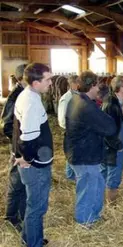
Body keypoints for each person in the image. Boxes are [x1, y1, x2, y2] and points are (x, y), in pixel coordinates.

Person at [64, 71, 116, 227]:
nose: (99, 90)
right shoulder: (86, 106)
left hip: (81, 151)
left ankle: (93, 216)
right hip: (84, 155)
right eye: (97, 86)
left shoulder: (75, 99)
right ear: (92, 86)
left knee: (98, 183)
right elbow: (110, 127)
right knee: (88, 187)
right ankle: (84, 221)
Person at [13, 63, 53, 247]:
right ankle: (33, 243)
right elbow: (27, 137)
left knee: (34, 205)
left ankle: (30, 238)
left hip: (36, 161)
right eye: (48, 79)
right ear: (36, 83)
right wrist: (27, 159)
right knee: (37, 206)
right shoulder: (30, 102)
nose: (51, 83)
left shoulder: (31, 96)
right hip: (35, 165)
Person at [1, 64, 27, 231]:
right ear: (22, 78)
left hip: (23, 145)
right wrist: (18, 146)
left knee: (22, 182)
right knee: (17, 181)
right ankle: (11, 217)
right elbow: (8, 125)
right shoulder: (16, 96)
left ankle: (21, 214)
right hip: (19, 148)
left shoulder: (25, 94)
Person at [101, 76, 123, 203]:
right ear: (120, 88)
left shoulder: (116, 102)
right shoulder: (111, 105)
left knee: (106, 172)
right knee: (113, 175)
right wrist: (117, 146)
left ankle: (102, 199)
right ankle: (110, 203)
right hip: (113, 148)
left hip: (113, 146)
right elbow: (107, 130)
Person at [57, 75, 79, 181]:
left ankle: (72, 174)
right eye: (78, 83)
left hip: (78, 129)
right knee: (71, 152)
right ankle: (70, 176)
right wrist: (71, 127)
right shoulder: (66, 99)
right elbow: (61, 119)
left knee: (75, 152)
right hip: (71, 130)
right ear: (72, 84)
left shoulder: (78, 96)